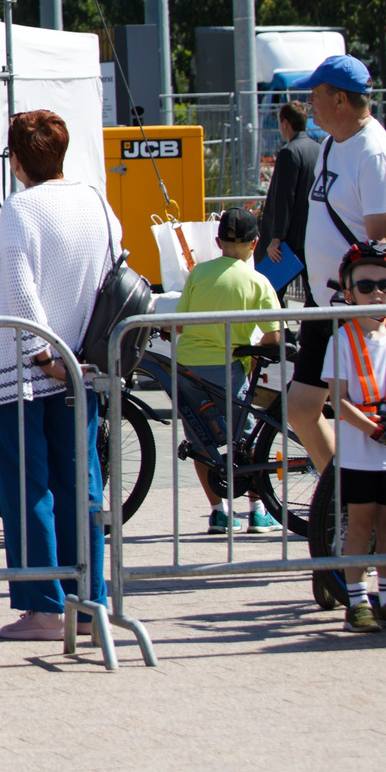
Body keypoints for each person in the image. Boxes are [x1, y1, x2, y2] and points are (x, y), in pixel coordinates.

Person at [0, 109, 123, 641]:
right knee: (81, 485)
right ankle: (89, 602)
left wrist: (43, 353)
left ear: (16, 160)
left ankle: (43, 605)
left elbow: (18, 283)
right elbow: (112, 277)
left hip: (26, 366)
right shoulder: (96, 201)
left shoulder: (22, 206)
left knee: (27, 486)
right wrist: (67, 354)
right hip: (80, 363)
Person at [284, 57, 386, 481]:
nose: (309, 105)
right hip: (326, 304)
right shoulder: (334, 144)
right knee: (300, 410)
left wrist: (359, 303)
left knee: (365, 418)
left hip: (358, 310)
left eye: (315, 96)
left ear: (340, 99)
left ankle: (374, 510)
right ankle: (343, 502)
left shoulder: (374, 152)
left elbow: (380, 244)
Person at [152, 206, 284, 534]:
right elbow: (274, 335)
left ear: (217, 240)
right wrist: (254, 356)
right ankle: (257, 510)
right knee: (248, 439)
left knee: (201, 440)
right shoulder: (257, 281)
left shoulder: (198, 274)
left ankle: (219, 512)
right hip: (230, 369)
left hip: (188, 367)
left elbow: (179, 323)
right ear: (255, 244)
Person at [320, 241, 386, 632]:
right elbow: (337, 398)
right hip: (360, 451)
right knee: (361, 524)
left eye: (385, 284)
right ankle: (356, 602)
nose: (376, 292)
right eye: (365, 286)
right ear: (348, 293)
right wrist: (372, 428)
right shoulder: (341, 339)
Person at [259, 98, 319, 278]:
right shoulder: (317, 149)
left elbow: (284, 198)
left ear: (285, 123)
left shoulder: (289, 152)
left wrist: (276, 238)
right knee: (313, 293)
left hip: (287, 242)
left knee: (272, 289)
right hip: (310, 234)